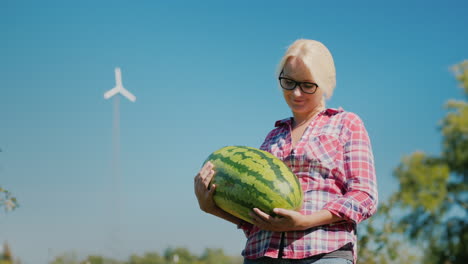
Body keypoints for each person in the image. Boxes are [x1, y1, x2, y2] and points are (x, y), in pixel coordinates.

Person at [194, 39, 378, 264]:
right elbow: (253, 218)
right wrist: (211, 208)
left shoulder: (346, 124)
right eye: (288, 82)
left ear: (325, 83)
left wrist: (305, 221)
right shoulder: (273, 136)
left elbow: (364, 196)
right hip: (262, 255)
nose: (297, 93)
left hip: (322, 254)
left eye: (308, 85)